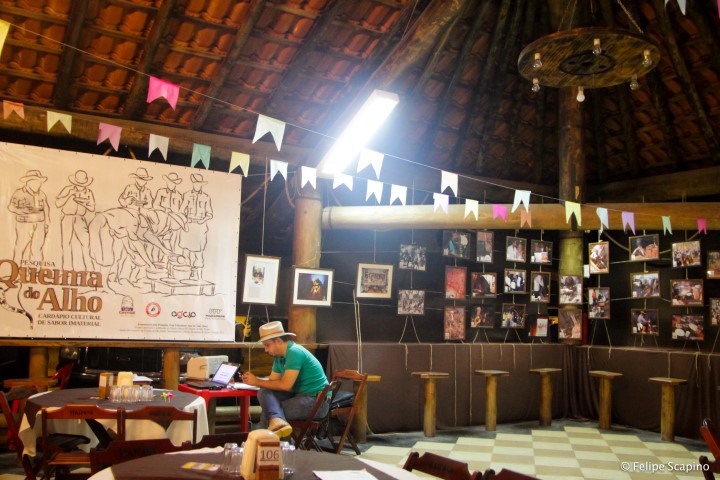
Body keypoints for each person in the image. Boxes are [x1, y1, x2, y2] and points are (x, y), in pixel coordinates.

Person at [242, 321, 329, 438]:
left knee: (272, 412)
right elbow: (271, 383)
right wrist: (255, 380)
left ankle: (266, 441)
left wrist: (257, 381)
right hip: (298, 396)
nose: (265, 350)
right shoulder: (279, 357)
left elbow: (285, 385)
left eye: (267, 345)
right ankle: (273, 435)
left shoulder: (294, 352)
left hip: (316, 402)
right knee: (264, 392)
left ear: (278, 341)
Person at [55, 170, 96, 270]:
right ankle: (67, 269)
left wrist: (84, 203)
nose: (80, 186)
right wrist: (69, 195)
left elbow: (92, 208)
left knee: (86, 242)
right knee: (66, 243)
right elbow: (58, 204)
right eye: (78, 184)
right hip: (67, 217)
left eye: (82, 184)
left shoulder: (88, 192)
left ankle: (90, 268)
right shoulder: (67, 189)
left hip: (80, 218)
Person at [8, 170, 50, 263]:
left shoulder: (42, 194)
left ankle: (36, 269)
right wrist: (23, 211)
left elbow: (46, 209)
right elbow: (11, 207)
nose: (39, 184)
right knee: (20, 246)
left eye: (39, 182)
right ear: (29, 182)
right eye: (36, 181)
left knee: (37, 248)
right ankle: (16, 268)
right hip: (24, 223)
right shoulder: (19, 193)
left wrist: (47, 223)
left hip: (40, 223)